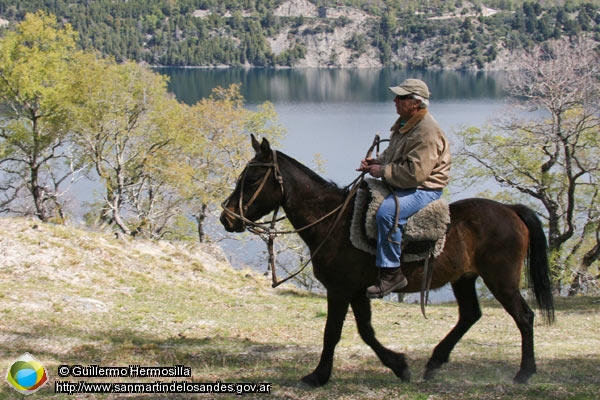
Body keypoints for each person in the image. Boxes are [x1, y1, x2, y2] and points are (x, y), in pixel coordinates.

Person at [358, 78, 451, 299]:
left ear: (416, 103)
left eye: (401, 97)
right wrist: (376, 163)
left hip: (423, 188)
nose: (395, 100)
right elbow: (392, 154)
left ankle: (392, 273)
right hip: (404, 182)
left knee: (387, 215)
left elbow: (415, 174)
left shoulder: (426, 131)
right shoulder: (405, 123)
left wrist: (382, 172)